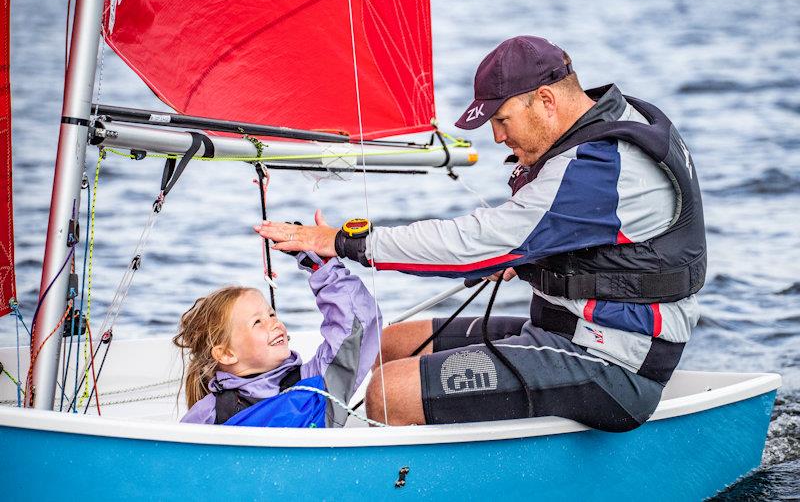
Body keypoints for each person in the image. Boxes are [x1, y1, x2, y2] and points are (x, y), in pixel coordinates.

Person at [255, 36, 705, 432]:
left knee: (392, 392)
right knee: (388, 345)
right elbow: (613, 245)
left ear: (546, 100)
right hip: (565, 330)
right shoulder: (615, 121)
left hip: (619, 365)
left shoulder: (600, 168)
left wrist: (343, 242)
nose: (495, 137)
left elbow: (472, 242)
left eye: (502, 119)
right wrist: (531, 258)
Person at [174, 251, 381, 427]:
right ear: (226, 354)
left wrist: (323, 267)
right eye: (257, 322)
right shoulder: (209, 414)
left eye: (272, 315)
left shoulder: (313, 383)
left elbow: (357, 325)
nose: (274, 323)